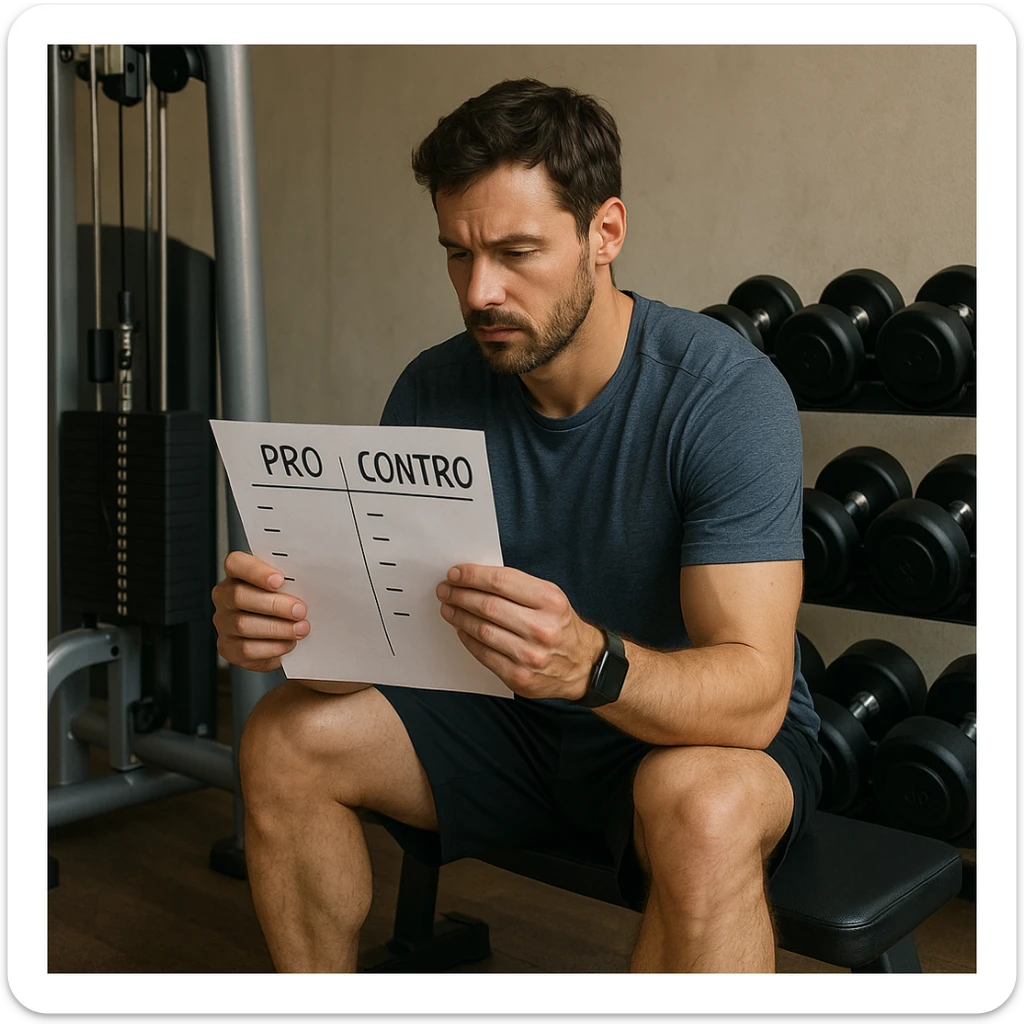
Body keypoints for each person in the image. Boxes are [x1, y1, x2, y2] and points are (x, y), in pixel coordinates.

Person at [212, 78, 822, 973]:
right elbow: (384, 652)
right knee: (283, 738)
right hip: (504, 722)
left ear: (604, 233)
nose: (480, 290)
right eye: (457, 254)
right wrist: (292, 634)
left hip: (681, 733)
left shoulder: (724, 396)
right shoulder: (434, 387)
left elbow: (755, 694)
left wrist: (590, 664)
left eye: (516, 252)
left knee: (707, 812)